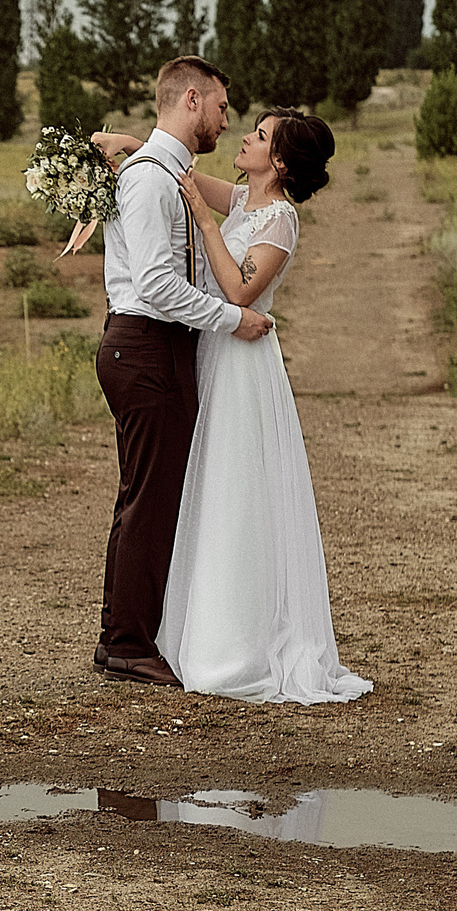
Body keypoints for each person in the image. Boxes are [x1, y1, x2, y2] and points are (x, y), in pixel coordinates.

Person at [154, 109, 373, 704]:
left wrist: (203, 220)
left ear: (278, 162)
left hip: (244, 368)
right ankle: (196, 629)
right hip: (215, 353)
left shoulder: (279, 219)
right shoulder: (246, 202)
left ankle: (238, 648)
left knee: (236, 487)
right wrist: (130, 144)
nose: (244, 137)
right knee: (207, 484)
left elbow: (241, 291)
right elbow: (188, 176)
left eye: (259, 135)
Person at [92, 58, 272, 689]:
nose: (228, 121)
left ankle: (134, 632)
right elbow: (157, 285)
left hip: (161, 348)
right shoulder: (148, 181)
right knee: (147, 499)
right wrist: (231, 319)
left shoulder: (166, 172)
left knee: (158, 496)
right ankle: (125, 643)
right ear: (193, 100)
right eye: (223, 108)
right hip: (146, 346)